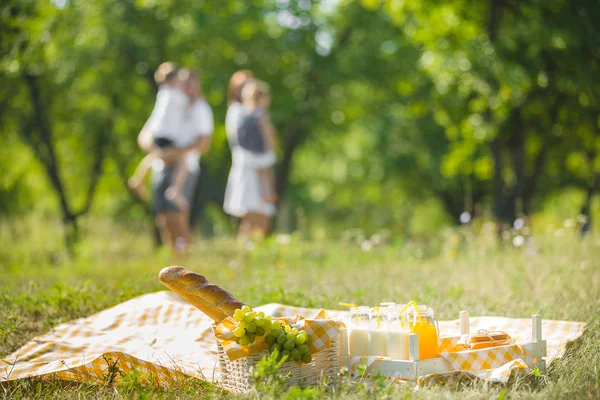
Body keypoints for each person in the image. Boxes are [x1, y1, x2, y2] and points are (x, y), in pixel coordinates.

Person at [137, 66, 213, 254]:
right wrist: (159, 151)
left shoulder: (200, 109)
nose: (185, 85)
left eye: (190, 81)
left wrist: (175, 153)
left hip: (185, 167)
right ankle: (172, 260)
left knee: (177, 215)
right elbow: (145, 136)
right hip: (161, 165)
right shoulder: (170, 104)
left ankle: (185, 261)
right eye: (183, 81)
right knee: (163, 217)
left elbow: (203, 144)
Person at [128, 64, 192, 212]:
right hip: (167, 136)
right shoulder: (175, 95)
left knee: (154, 156)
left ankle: (138, 179)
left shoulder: (162, 94)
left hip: (159, 135)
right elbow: (188, 104)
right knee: (183, 162)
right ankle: (175, 190)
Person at [223, 74, 278, 239]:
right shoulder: (254, 116)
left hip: (252, 168)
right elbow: (268, 145)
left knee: (255, 217)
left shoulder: (243, 115)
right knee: (255, 217)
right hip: (254, 169)